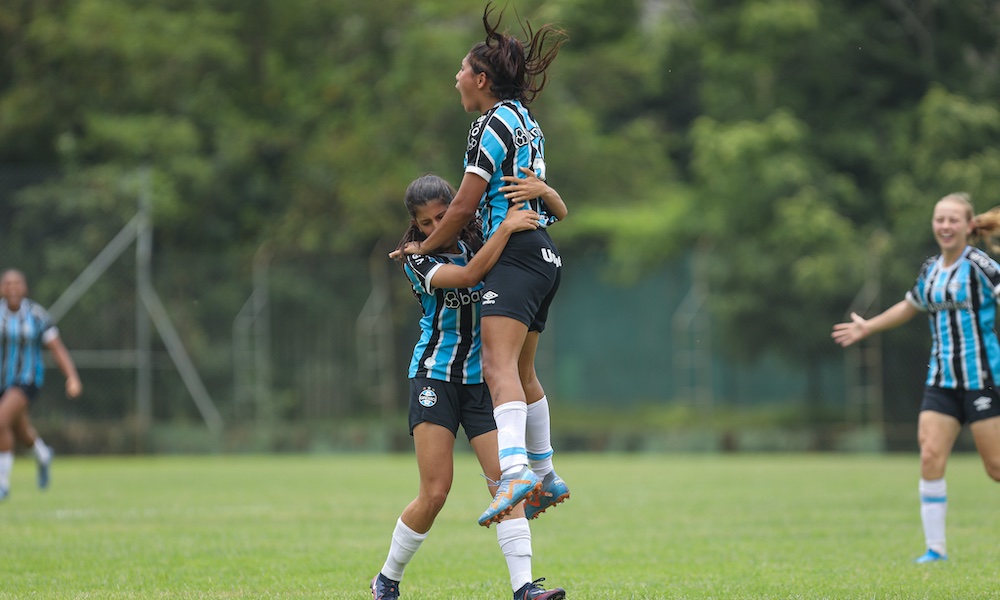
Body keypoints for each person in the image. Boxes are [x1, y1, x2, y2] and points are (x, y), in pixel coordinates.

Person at [397, 1, 571, 530]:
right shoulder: (528, 122)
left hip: (516, 257)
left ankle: (518, 471)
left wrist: (421, 250)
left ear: (480, 78)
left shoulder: (489, 124)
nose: (456, 79)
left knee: (497, 370)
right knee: (523, 371)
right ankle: (544, 470)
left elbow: (464, 207)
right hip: (545, 255)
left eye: (460, 71)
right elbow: (544, 202)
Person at [372, 174, 567, 600]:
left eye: (444, 216)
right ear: (416, 226)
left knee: (506, 487)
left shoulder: (481, 238)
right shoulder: (416, 258)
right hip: (435, 379)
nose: (435, 227)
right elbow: (468, 277)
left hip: (480, 383)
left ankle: (525, 589)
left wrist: (540, 193)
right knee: (436, 491)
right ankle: (386, 579)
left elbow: (554, 213)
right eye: (426, 222)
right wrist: (506, 229)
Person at [832, 192, 1000, 563]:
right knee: (930, 456)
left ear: (968, 225)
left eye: (952, 219)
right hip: (941, 380)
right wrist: (868, 328)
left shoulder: (981, 267)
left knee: (995, 468)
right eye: (939, 219)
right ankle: (935, 550)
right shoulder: (931, 270)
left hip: (983, 379)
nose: (944, 225)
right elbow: (911, 305)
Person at [0, 268, 82, 499]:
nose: (13, 288)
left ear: (25, 288)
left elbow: (57, 349)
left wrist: (72, 376)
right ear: (1, 288)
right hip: (1, 382)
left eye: (17, 283)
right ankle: (43, 455)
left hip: (26, 380)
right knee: (21, 432)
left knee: (0, 420)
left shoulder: (37, 315)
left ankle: (2, 484)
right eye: (8, 283)